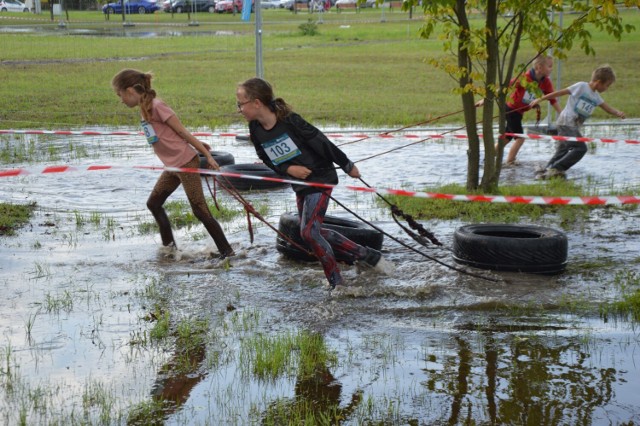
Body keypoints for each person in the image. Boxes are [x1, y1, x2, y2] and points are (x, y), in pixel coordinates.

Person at [236, 77, 392, 290]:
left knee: (309, 232)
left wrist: (346, 164)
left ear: (256, 103)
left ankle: (337, 283)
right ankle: (365, 254)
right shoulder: (255, 129)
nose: (239, 109)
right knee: (310, 232)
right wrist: (288, 169)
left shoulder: (290, 120)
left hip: (321, 177)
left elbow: (322, 142)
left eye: (240, 103)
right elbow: (265, 157)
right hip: (299, 182)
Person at [111, 69, 235, 259]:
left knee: (199, 210)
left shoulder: (157, 106)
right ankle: (169, 250)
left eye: (120, 95)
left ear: (129, 91)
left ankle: (227, 252)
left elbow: (182, 132)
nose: (121, 100)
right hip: (172, 167)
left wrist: (206, 154)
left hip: (185, 163)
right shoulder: (144, 108)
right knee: (154, 204)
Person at [531, 64, 625, 179]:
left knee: (563, 150)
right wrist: (540, 99)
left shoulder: (596, 97)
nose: (607, 88)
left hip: (572, 126)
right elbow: (560, 92)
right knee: (581, 148)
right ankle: (557, 169)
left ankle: (545, 171)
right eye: (607, 85)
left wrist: (617, 113)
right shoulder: (581, 86)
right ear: (598, 82)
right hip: (566, 122)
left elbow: (607, 108)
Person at [499, 55, 563, 165]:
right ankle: (510, 162)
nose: (551, 69)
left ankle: (490, 157)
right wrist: (485, 100)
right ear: (539, 67)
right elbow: (506, 87)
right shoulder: (525, 78)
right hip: (511, 110)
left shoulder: (546, 82)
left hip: (519, 113)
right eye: (549, 66)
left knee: (508, 137)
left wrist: (562, 115)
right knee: (520, 138)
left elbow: (552, 100)